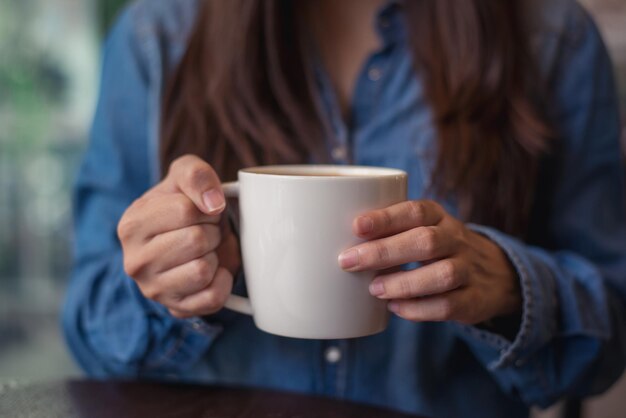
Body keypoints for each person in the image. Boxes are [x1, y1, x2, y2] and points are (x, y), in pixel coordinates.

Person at [62, 0, 626, 417]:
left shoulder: (553, 39)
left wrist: (509, 291)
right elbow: (91, 332)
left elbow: (611, 336)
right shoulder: (154, 38)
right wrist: (176, 284)